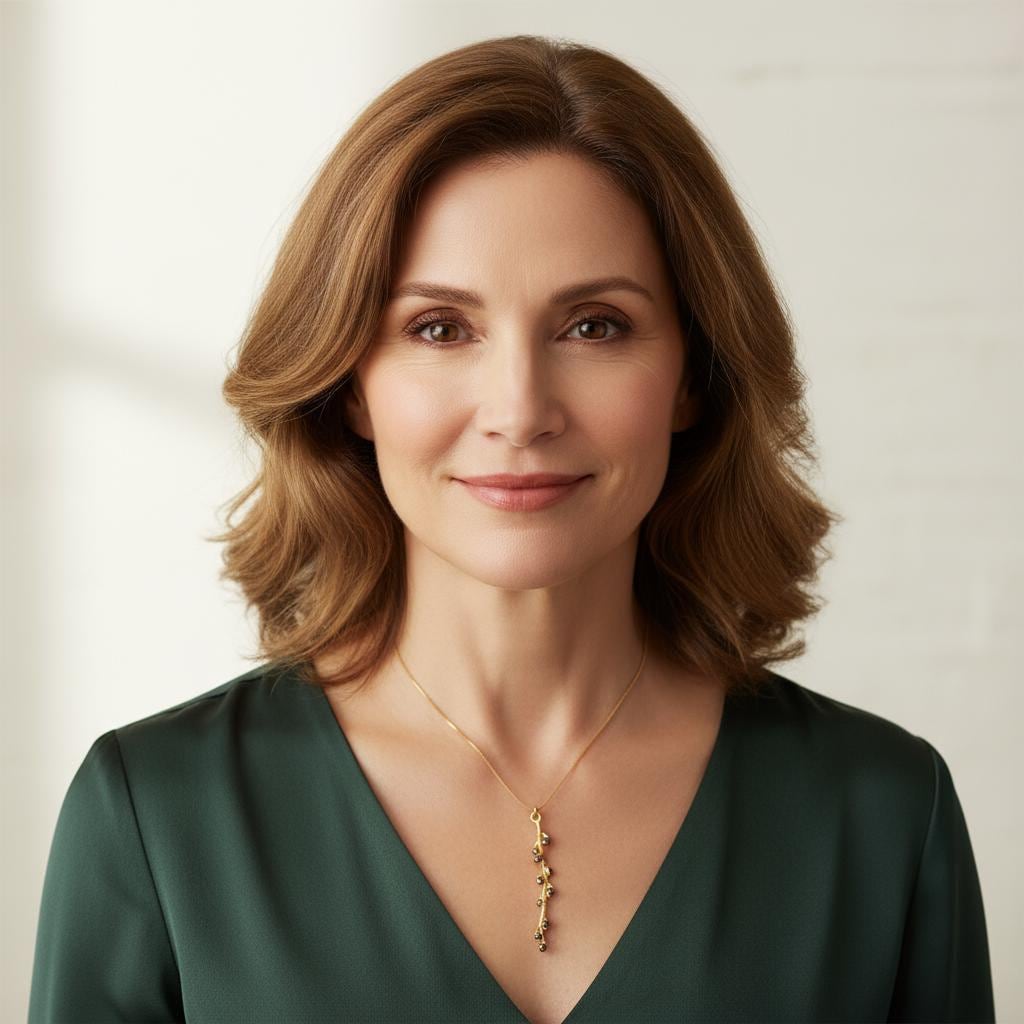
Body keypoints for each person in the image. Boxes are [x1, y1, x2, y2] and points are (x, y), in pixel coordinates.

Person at [28, 34, 995, 1024]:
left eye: (594, 326)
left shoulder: (880, 814)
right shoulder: (157, 815)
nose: (519, 408)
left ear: (693, 377)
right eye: (440, 329)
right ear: (348, 385)